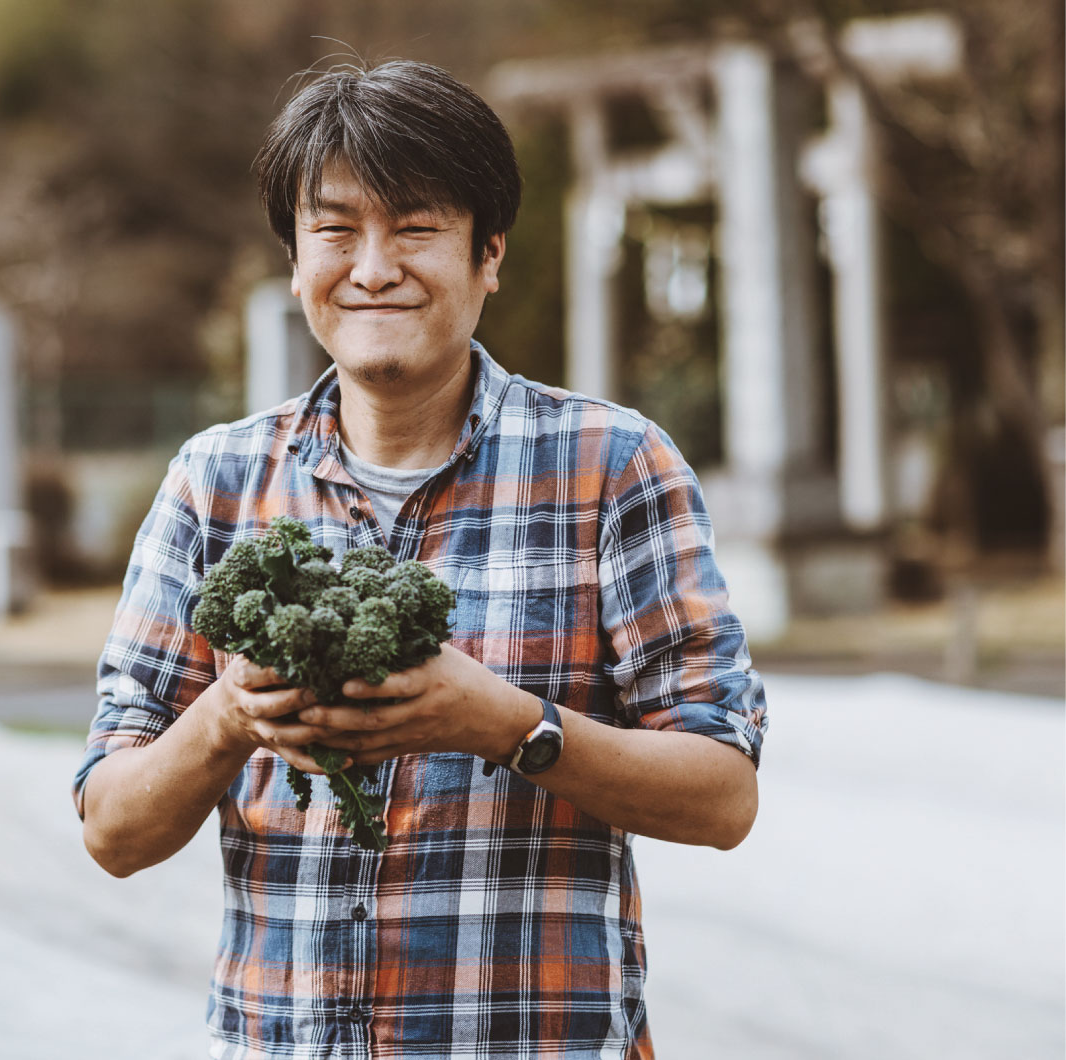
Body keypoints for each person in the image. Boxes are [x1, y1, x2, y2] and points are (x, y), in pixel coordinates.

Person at [73, 59, 767, 1059]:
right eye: (336, 230)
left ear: (489, 254)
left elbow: (723, 793)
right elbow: (112, 827)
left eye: (415, 227)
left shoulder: (612, 467)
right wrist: (230, 716)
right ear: (295, 259)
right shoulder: (215, 481)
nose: (373, 267)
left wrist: (504, 723)